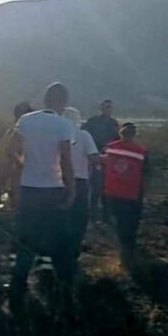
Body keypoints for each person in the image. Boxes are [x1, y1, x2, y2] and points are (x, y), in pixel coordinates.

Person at [8, 83, 76, 308]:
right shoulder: (63, 125)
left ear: (45, 99)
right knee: (60, 243)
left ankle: (17, 294)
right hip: (53, 190)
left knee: (25, 243)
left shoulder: (26, 121)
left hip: (29, 189)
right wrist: (71, 189)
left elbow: (12, 150)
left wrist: (22, 169)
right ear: (63, 102)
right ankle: (64, 294)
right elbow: (66, 160)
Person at [102, 122, 148, 269]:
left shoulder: (111, 148)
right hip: (133, 193)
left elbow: (104, 165)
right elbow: (147, 172)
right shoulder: (141, 151)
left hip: (114, 193)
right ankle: (129, 254)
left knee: (120, 224)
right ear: (135, 135)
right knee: (132, 224)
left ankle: (123, 254)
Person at [63, 107, 99, 260]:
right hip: (80, 181)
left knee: (62, 216)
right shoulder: (84, 135)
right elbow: (94, 158)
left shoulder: (57, 135)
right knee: (79, 218)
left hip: (60, 182)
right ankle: (74, 250)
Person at [82, 99, 120, 220]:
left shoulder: (114, 123)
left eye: (110, 107)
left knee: (108, 188)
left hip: (109, 158)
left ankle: (106, 216)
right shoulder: (93, 121)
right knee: (95, 188)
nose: (108, 109)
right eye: (106, 107)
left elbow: (117, 140)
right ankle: (92, 215)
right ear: (101, 108)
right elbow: (84, 133)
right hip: (95, 157)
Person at [0, 101, 34, 209]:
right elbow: (7, 152)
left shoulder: (11, 132)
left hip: (16, 177)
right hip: (17, 177)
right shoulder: (13, 132)